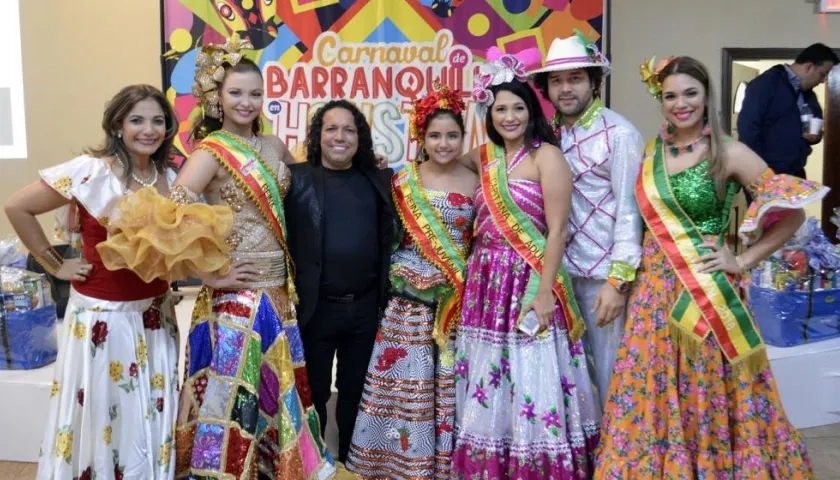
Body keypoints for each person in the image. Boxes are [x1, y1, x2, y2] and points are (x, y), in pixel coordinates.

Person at [96, 36, 336, 479]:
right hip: (235, 301)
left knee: (271, 393)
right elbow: (162, 222)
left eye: (256, 93)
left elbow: (309, 190)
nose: (247, 102)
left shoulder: (275, 147)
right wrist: (208, 273)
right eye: (236, 93)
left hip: (278, 296)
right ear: (217, 98)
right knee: (232, 398)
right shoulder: (210, 154)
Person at [596, 55, 826, 478]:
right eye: (670, 96)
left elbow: (791, 214)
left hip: (707, 292)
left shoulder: (731, 153)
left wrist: (741, 260)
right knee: (654, 390)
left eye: (690, 93)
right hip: (653, 295)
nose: (680, 104)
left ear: (706, 98)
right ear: (660, 100)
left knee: (708, 390)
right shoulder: (650, 155)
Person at [5, 84, 180, 479]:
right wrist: (56, 266)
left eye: (157, 120)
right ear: (118, 126)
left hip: (154, 317)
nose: (148, 129)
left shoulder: (168, 176)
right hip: (103, 318)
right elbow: (18, 207)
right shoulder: (90, 170)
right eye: (137, 120)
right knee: (103, 409)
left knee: (146, 413)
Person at [451, 49, 600, 479]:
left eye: (518, 107)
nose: (510, 117)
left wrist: (543, 291)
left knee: (532, 373)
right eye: (500, 109)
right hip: (486, 281)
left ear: (532, 110)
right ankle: (490, 461)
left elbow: (557, 231)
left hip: (529, 279)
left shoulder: (545, 157)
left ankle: (535, 464)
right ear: (489, 113)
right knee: (488, 371)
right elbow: (442, 163)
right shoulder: (482, 156)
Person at [345, 84, 477, 479]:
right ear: (421, 137)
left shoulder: (476, 179)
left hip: (456, 302)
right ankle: (395, 463)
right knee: (407, 386)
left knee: (450, 386)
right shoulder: (402, 181)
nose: (444, 143)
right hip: (409, 305)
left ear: (463, 136)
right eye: (434, 135)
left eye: (452, 135)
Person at [530, 34, 644, 406]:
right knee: (571, 381)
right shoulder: (549, 135)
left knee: (613, 376)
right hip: (558, 277)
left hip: (601, 282)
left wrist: (618, 281)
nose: (565, 89)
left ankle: (619, 461)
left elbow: (631, 212)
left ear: (594, 82)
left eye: (575, 78)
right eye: (557, 80)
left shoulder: (620, 134)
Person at [284, 99, 397, 464]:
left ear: (360, 138)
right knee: (313, 389)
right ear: (318, 136)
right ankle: (313, 459)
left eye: (349, 130)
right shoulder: (295, 179)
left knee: (356, 389)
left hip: (365, 307)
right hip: (316, 307)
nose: (340, 137)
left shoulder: (379, 179)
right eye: (331, 128)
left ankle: (352, 456)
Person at [736, 43, 839, 179]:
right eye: (822, 74)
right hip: (767, 174)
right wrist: (760, 171)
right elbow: (747, 128)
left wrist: (816, 136)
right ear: (809, 66)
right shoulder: (765, 84)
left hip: (795, 172)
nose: (823, 81)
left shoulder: (809, 95)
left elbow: (816, 126)